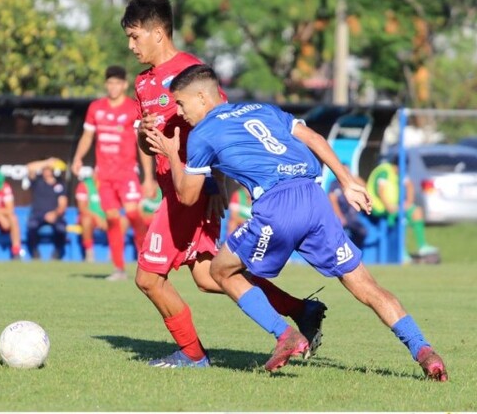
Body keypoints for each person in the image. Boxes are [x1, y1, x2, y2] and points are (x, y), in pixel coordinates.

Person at [145, 63, 447, 381]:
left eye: (181, 103)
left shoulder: (201, 134)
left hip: (277, 207)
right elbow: (313, 138)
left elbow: (189, 196)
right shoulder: (262, 109)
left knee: (220, 271)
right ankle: (424, 350)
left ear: (203, 97)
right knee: (366, 287)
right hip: (314, 199)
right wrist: (346, 180)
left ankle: (284, 334)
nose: (179, 111)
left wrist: (172, 153)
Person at [121, 0, 327, 368]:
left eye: (135, 36)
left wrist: (219, 185)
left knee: (148, 279)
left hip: (192, 194)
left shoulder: (191, 73)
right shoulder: (143, 83)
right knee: (207, 276)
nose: (131, 45)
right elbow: (148, 141)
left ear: (158, 33)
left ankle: (193, 354)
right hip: (175, 189)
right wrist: (143, 133)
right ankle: (302, 310)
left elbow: (225, 128)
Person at [71, 65, 155, 281]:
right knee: (111, 219)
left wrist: (148, 177)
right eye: (110, 83)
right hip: (105, 176)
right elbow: (88, 137)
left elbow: (142, 144)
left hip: (127, 174)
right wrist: (78, 157)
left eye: (117, 83)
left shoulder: (132, 108)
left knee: (134, 215)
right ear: (106, 85)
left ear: (125, 85)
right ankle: (119, 269)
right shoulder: (96, 108)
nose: (113, 87)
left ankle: (147, 261)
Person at [367, 158, 440, 262]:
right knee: (400, 221)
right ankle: (401, 252)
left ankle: (422, 246)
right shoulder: (384, 171)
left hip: (395, 207)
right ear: (397, 165)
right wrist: (389, 207)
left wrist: (408, 203)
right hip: (380, 208)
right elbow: (381, 191)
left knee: (416, 211)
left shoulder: (399, 172)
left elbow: (409, 185)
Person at [74, 171, 128, 263]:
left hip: (107, 217)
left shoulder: (111, 186)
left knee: (123, 220)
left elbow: (117, 206)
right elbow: (82, 207)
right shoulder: (84, 185)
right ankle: (89, 253)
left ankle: (114, 253)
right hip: (91, 217)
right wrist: (97, 218)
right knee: (86, 220)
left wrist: (108, 217)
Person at [26, 158, 68, 260]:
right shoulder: (37, 181)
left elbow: (62, 204)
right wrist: (47, 162)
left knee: (61, 228)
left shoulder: (60, 183)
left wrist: (54, 214)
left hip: (55, 215)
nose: (46, 171)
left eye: (49, 169)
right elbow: (28, 167)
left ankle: (57, 253)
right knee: (31, 226)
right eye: (45, 169)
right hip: (37, 215)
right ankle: (35, 253)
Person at [328, 165, 367, 249]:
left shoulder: (352, 183)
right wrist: (340, 217)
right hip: (338, 216)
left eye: (347, 172)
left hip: (352, 217)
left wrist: (353, 178)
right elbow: (333, 201)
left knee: (362, 232)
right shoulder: (334, 184)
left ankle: (356, 251)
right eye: (344, 171)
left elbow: (364, 187)